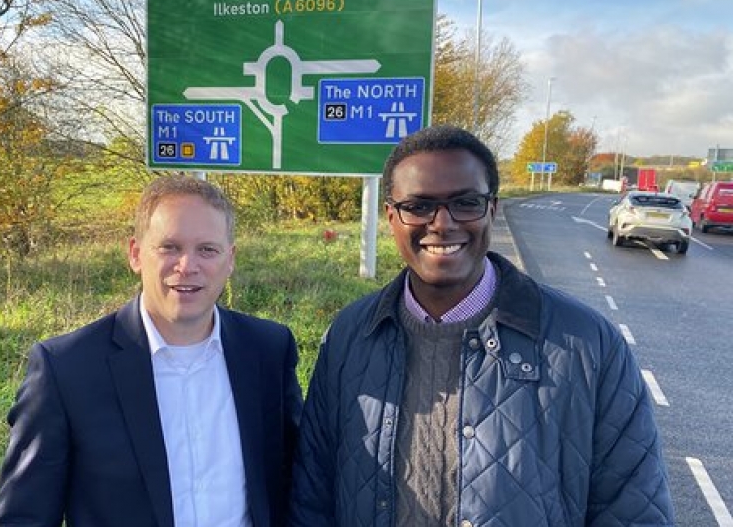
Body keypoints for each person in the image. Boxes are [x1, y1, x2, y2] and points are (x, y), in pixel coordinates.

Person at [289, 125, 674, 526]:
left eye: (465, 202)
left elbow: (632, 511)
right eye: (419, 206)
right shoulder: (351, 336)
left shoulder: (587, 344)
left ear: (492, 208)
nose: (441, 223)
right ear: (392, 217)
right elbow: (312, 497)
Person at [0, 175, 303, 527]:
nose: (187, 266)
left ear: (230, 259)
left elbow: (297, 482)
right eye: (169, 247)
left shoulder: (267, 351)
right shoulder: (67, 370)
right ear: (136, 254)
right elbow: (23, 517)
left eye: (207, 249)